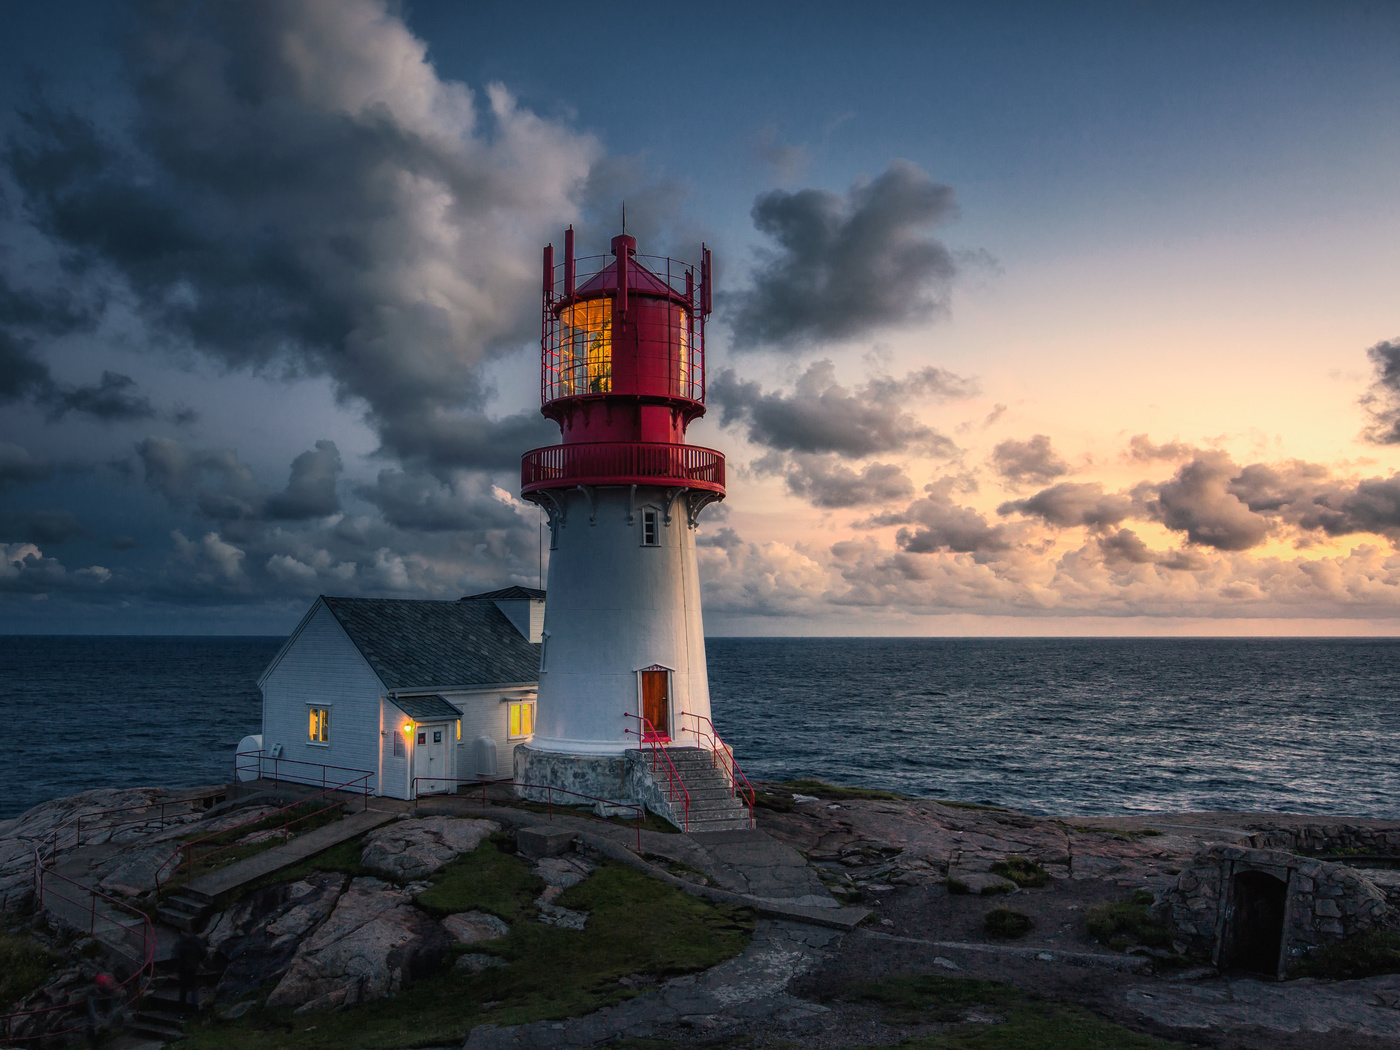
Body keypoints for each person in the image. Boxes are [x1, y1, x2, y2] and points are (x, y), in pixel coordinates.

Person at [85, 973, 121, 1049]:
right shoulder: (93, 995)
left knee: (104, 1040)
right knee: (96, 1043)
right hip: (95, 1025)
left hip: (103, 1023)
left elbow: (113, 1007)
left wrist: (107, 1020)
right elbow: (92, 1012)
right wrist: (102, 1021)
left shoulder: (108, 993)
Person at [174, 932, 205, 1013]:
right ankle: (195, 1010)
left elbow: (175, 956)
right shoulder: (196, 941)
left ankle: (182, 1011)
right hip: (193, 968)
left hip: (183, 969)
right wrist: (198, 961)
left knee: (183, 991)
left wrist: (177, 968)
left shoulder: (180, 943)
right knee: (193, 989)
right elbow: (203, 952)